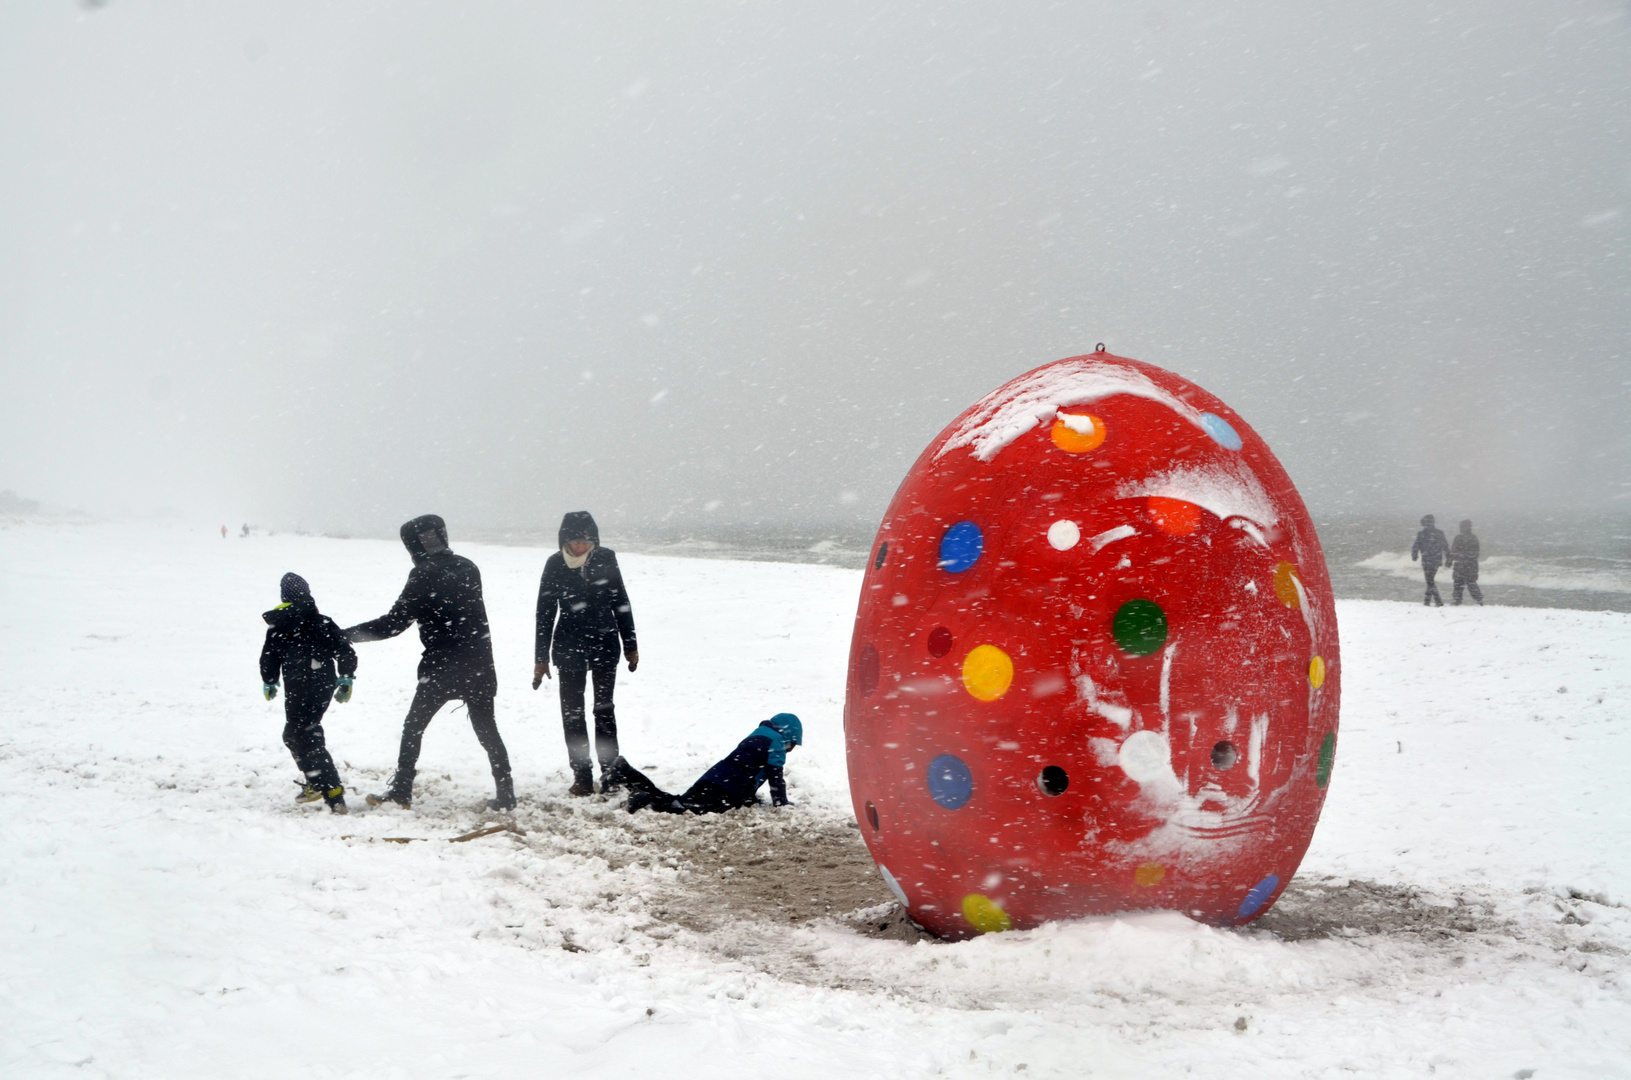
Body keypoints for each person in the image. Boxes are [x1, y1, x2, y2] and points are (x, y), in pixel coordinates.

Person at [346, 515, 514, 811]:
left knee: (413, 727)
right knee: (487, 729)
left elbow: (393, 624)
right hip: (479, 663)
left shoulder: (423, 574)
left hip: (442, 666)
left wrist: (345, 635)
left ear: (413, 545)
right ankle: (506, 792)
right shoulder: (468, 566)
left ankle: (401, 790)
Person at [533, 511, 639, 796]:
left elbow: (621, 600)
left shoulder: (606, 558)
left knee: (604, 710)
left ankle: (610, 774)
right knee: (572, 714)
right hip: (568, 646)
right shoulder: (555, 564)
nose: (582, 547)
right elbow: (544, 613)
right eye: (576, 542)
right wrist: (540, 658)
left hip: (605, 642)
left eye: (587, 541)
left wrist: (630, 644)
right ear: (564, 541)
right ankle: (581, 775)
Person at [259, 572, 356, 813]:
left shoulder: (278, 625)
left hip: (298, 686)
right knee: (303, 731)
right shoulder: (321, 622)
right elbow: (345, 650)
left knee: (299, 734)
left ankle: (330, 790)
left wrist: (269, 680)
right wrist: (345, 677)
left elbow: (269, 657)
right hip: (322, 683)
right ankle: (322, 784)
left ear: (284, 596)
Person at [609, 713, 802, 815]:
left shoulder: (759, 734)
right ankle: (641, 797)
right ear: (788, 735)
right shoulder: (776, 742)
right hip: (727, 790)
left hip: (715, 778)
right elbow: (775, 778)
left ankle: (626, 774)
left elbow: (745, 765)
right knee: (682, 809)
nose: (789, 750)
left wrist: (750, 798)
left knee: (681, 802)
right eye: (791, 745)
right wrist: (781, 803)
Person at [1410, 514, 1450, 607]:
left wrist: (1414, 554)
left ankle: (1436, 600)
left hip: (1428, 559)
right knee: (1430, 580)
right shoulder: (1438, 533)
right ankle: (1428, 600)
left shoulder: (1423, 534)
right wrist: (1448, 557)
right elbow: (1445, 546)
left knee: (1429, 580)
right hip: (1434, 559)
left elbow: (1416, 545)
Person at [1449, 519, 1484, 606]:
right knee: (1459, 582)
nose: (1460, 528)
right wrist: (1450, 560)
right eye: (1460, 526)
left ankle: (1478, 599)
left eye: (1462, 526)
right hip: (1464, 565)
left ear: (1467, 527)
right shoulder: (1460, 538)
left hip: (1467, 565)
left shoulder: (1472, 538)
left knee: (1470, 583)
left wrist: (1459, 557)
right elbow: (1453, 551)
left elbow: (1475, 552)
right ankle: (1458, 600)